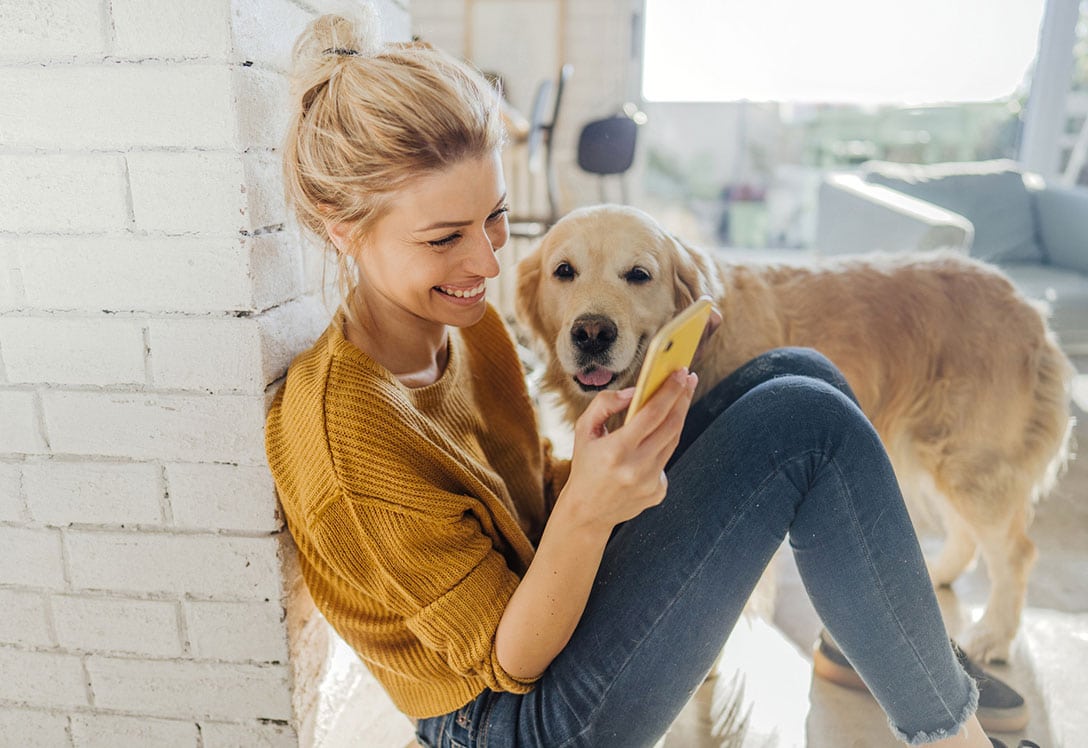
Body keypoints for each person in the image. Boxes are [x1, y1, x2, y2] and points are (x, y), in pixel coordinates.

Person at [265, 8, 1024, 747]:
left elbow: (521, 495)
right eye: (444, 238)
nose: (487, 263)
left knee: (796, 375)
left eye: (493, 218)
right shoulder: (348, 434)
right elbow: (508, 658)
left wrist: (600, 473)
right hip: (511, 719)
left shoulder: (464, 327)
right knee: (804, 423)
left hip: (548, 632)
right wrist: (592, 507)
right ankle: (954, 738)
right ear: (343, 228)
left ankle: (881, 657)